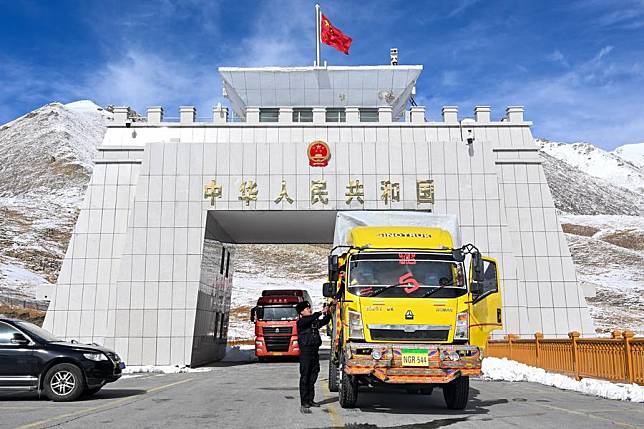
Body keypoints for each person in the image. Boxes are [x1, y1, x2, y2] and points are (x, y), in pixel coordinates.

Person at [295, 300, 332, 414]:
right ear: (301, 312)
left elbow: (324, 321)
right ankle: (304, 401)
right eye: (307, 309)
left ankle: (310, 400)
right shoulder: (301, 322)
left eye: (309, 308)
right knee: (305, 377)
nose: (309, 310)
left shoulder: (312, 321)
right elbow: (311, 318)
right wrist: (321, 312)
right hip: (305, 352)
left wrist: (328, 313)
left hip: (314, 351)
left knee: (313, 375)